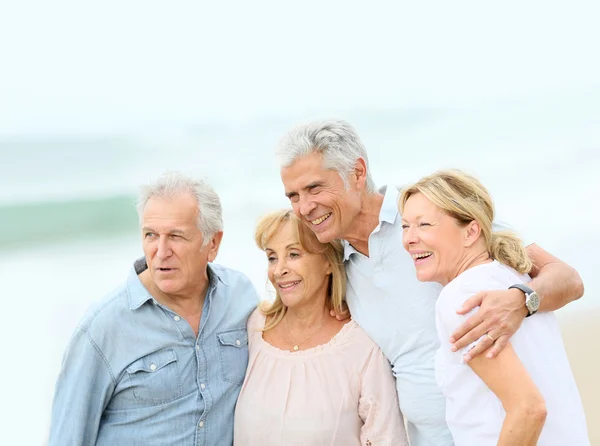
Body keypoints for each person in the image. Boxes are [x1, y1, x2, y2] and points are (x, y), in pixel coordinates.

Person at [276, 119, 584, 445]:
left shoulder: (432, 217)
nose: (304, 207)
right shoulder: (335, 265)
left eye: (314, 188)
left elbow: (568, 279)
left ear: (357, 173)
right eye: (293, 196)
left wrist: (522, 300)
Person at [48, 172, 258, 445]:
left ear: (213, 243)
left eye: (176, 236)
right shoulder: (103, 328)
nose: (161, 251)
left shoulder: (240, 296)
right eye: (150, 235)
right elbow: (67, 438)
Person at [399, 169, 589, 445]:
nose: (409, 239)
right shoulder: (519, 276)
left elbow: (529, 409)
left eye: (424, 225)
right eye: (405, 226)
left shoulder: (460, 298)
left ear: (471, 231)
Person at [234, 209, 408, 445]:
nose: (279, 270)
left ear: (328, 261)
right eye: (272, 257)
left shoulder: (361, 346)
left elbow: (386, 438)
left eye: (294, 254)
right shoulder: (253, 327)